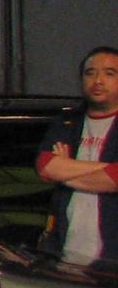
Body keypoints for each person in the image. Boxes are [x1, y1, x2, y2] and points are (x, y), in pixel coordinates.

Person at [36, 46, 118, 268]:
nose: (98, 80)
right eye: (90, 73)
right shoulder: (67, 122)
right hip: (64, 254)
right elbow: (46, 166)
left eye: (109, 73)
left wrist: (66, 171)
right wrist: (105, 169)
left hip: (112, 259)